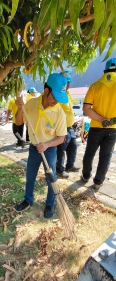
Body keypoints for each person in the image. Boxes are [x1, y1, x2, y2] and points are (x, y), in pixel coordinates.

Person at [14, 73, 68, 219]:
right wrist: (19, 108)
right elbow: (19, 123)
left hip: (49, 150)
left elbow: (61, 138)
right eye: (54, 96)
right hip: (33, 148)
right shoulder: (31, 104)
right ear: (46, 91)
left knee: (51, 179)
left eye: (59, 97)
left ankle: (50, 204)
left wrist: (47, 144)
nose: (56, 101)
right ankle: (28, 200)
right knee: (30, 176)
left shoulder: (59, 113)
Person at [81, 58, 116, 189]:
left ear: (104, 70)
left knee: (90, 153)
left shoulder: (95, 85)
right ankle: (98, 182)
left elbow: (86, 108)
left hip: (96, 127)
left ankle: (85, 175)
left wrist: (101, 119)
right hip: (113, 128)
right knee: (105, 156)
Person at [56, 71, 79, 178]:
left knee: (73, 146)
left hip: (70, 127)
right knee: (61, 149)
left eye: (69, 82)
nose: (68, 84)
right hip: (62, 128)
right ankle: (60, 170)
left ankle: (70, 165)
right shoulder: (57, 94)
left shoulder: (68, 94)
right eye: (66, 82)